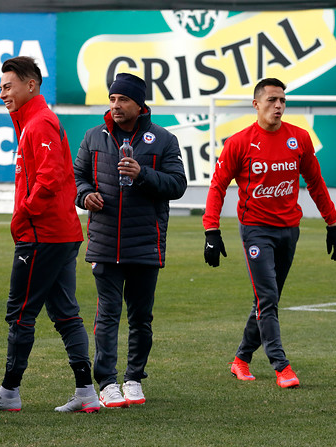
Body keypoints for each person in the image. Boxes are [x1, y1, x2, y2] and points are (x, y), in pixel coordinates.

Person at [203, 77, 336, 388]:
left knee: (268, 299)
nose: (278, 105)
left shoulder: (299, 139)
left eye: (282, 100)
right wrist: (211, 230)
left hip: (289, 230)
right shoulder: (239, 142)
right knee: (267, 298)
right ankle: (282, 366)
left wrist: (332, 225)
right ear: (256, 104)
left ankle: (241, 358)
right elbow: (217, 187)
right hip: (255, 230)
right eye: (271, 100)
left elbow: (316, 184)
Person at [0, 56, 99, 414]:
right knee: (65, 314)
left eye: (7, 85)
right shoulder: (33, 122)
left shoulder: (40, 122)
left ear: (30, 85)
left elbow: (48, 179)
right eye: (1, 86)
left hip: (43, 235)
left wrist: (22, 216)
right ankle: (86, 392)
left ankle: (10, 391)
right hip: (58, 233)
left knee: (20, 315)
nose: (2, 93)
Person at [73, 73, 187, 408]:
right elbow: (77, 177)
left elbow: (178, 185)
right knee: (107, 314)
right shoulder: (94, 137)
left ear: (140, 104)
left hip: (144, 244)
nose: (116, 105)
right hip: (105, 243)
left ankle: (134, 378)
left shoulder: (163, 139)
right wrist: (85, 195)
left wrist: (144, 174)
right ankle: (107, 382)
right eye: (112, 99)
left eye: (123, 99)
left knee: (141, 317)